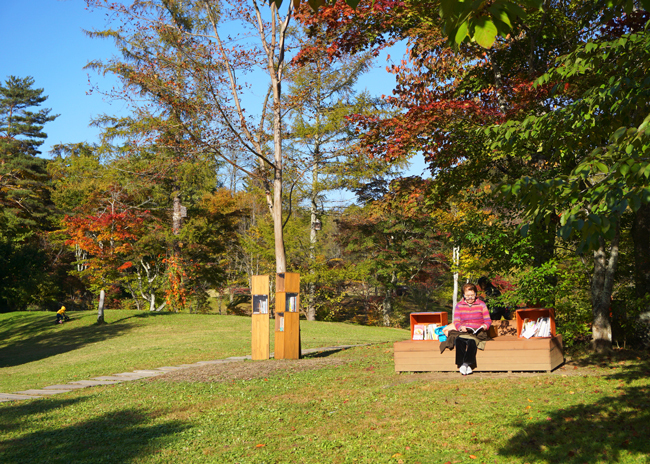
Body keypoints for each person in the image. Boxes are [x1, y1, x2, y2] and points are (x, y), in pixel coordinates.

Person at [444, 283, 491, 375]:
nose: (470, 298)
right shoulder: (459, 305)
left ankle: (464, 364)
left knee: (471, 342)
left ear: (476, 294)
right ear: (463, 295)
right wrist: (460, 327)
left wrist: (485, 326)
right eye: (467, 296)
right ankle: (464, 365)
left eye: (472, 295)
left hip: (478, 332)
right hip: (464, 331)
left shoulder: (482, 304)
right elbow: (456, 321)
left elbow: (488, 320)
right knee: (458, 340)